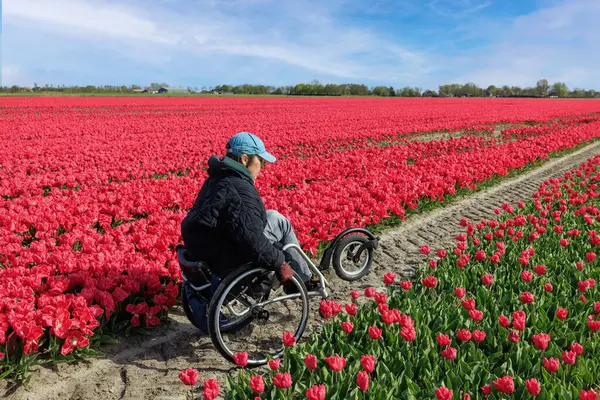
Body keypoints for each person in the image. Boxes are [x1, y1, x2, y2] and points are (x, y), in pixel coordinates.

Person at [181, 131, 316, 293]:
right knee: (282, 225)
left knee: (274, 217)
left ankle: (302, 275)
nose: (262, 167)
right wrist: (281, 263)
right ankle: (303, 279)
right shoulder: (239, 189)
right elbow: (253, 242)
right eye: (260, 160)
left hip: (208, 253)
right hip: (227, 260)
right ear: (245, 159)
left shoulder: (217, 178)